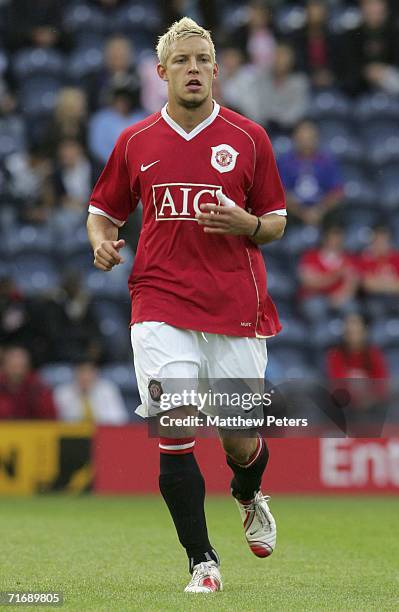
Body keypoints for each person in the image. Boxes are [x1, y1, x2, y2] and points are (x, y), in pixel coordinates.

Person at [87, 17, 286, 593]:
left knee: (238, 439)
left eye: (203, 60)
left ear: (217, 70)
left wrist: (247, 222)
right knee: (173, 425)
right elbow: (104, 209)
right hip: (159, 300)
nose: (193, 69)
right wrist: (101, 241)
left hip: (233, 305)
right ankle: (202, 561)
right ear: (162, 73)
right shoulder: (135, 141)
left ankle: (248, 495)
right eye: (182, 61)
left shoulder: (250, 138)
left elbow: (275, 220)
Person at [278, 119, 344, 226]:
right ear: (294, 138)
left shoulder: (327, 161)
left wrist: (320, 210)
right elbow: (280, 192)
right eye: (302, 137)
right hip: (293, 215)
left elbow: (337, 191)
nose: (306, 142)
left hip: (323, 214)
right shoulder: (284, 162)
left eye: (310, 138)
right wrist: (302, 213)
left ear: (317, 138)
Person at [298, 224, 359, 321]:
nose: (335, 242)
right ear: (325, 239)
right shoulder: (310, 256)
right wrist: (335, 275)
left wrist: (341, 295)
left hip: (339, 297)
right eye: (333, 239)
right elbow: (309, 282)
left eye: (338, 239)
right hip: (314, 297)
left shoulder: (348, 258)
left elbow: (352, 283)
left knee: (351, 308)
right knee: (315, 308)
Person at [54, 361, 128, 424]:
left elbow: (119, 419)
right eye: (81, 371)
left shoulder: (108, 389)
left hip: (103, 433)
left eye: (89, 372)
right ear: (75, 372)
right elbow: (58, 421)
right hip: (72, 434)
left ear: (96, 373)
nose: (85, 376)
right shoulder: (62, 392)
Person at [0, 346, 57, 419]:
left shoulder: (39, 388)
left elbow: (50, 418)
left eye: (20, 366)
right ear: (4, 366)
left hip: (35, 429)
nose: (17, 371)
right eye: (13, 366)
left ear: (28, 367)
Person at [357, 224, 399, 317]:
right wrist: (391, 283)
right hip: (374, 299)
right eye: (378, 240)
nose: (381, 244)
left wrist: (379, 282)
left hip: (394, 298)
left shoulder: (396, 258)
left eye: (384, 240)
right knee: (376, 309)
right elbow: (368, 286)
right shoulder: (365, 258)